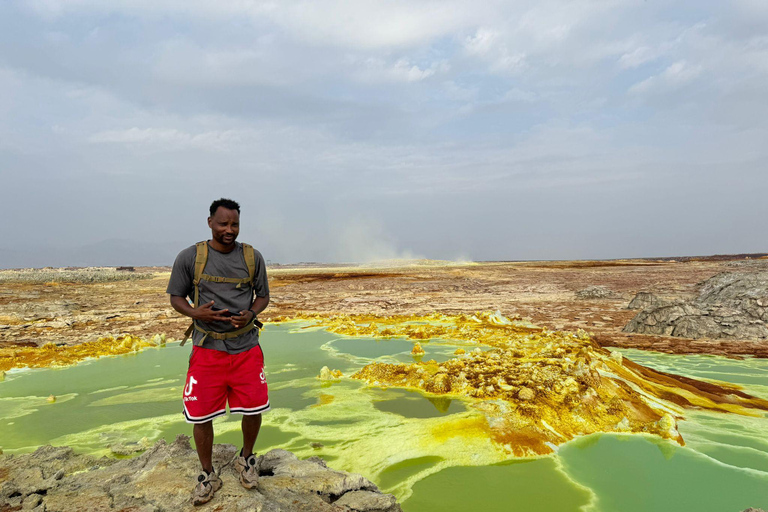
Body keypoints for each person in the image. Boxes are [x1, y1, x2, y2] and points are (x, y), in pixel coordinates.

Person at [166, 198, 270, 506]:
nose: (229, 230)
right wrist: (197, 314)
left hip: (246, 348)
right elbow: (176, 297)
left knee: (253, 409)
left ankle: (247, 459)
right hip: (207, 350)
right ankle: (207, 473)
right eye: (223, 224)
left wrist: (250, 314)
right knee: (201, 415)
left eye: (234, 224)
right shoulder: (191, 257)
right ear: (210, 222)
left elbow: (262, 296)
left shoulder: (252, 257)